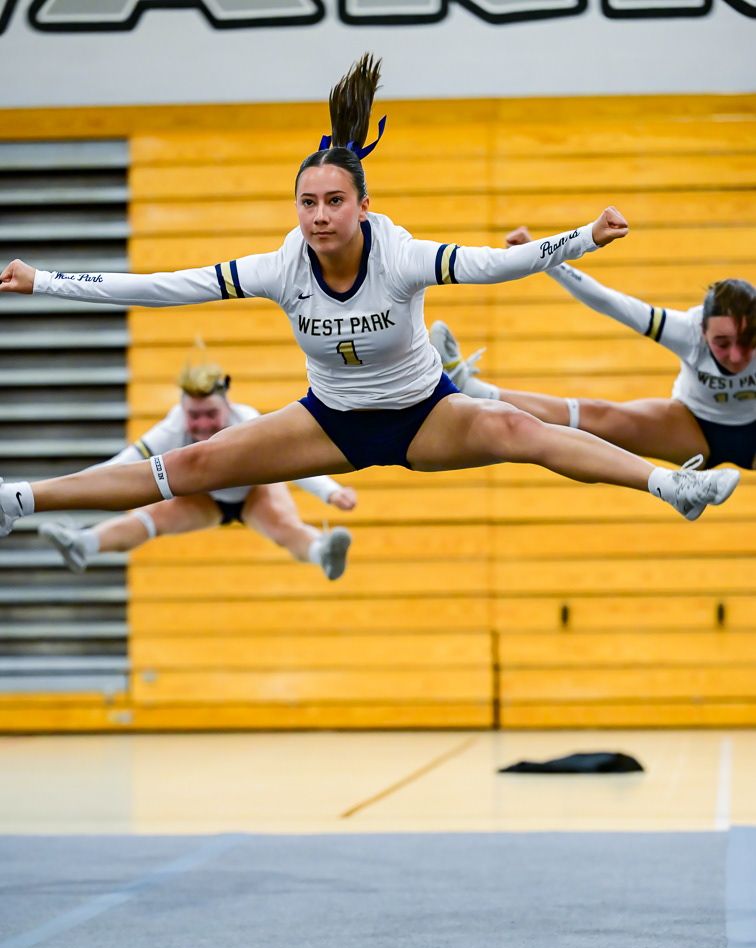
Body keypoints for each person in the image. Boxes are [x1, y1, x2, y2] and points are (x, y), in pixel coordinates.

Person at [0, 53, 741, 537]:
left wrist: (581, 237)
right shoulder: (281, 266)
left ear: (360, 204)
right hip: (331, 422)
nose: (318, 215)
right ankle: (20, 502)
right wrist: (43, 281)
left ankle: (668, 485)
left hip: (425, 414)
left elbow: (491, 265)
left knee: (518, 431)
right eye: (306, 202)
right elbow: (162, 287)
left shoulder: (402, 255)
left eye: (332, 201)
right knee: (189, 467)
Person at [431, 224, 756, 469]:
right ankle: (473, 388)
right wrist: (545, 260)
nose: (736, 357)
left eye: (748, 343)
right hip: (693, 427)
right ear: (702, 330)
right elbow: (608, 301)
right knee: (599, 416)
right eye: (722, 344)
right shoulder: (686, 330)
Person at [39, 359, 357, 581]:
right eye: (195, 416)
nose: (203, 425)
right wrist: (74, 488)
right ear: (182, 410)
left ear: (227, 407)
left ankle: (322, 553)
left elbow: (291, 462)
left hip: (253, 492)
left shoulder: (246, 420)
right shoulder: (171, 428)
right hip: (203, 497)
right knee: (147, 519)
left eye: (210, 414)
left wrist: (330, 491)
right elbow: (121, 465)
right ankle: (83, 545)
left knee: (285, 526)